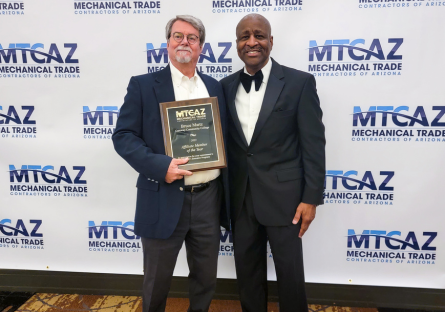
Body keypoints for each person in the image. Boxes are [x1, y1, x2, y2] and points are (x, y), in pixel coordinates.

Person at [112, 15, 229, 312]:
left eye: (191, 37)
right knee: (156, 280)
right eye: (178, 36)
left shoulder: (216, 88)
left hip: (208, 198)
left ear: (201, 46)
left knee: (205, 278)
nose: (184, 42)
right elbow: (124, 136)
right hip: (162, 196)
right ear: (167, 43)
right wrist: (160, 166)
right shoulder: (142, 85)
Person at [220, 14, 325, 312]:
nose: (252, 42)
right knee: (248, 276)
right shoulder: (225, 87)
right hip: (241, 200)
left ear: (271, 41)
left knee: (290, 276)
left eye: (259, 35)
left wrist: (311, 198)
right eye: (244, 36)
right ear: (237, 43)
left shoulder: (299, 82)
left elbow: (314, 144)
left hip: (286, 199)